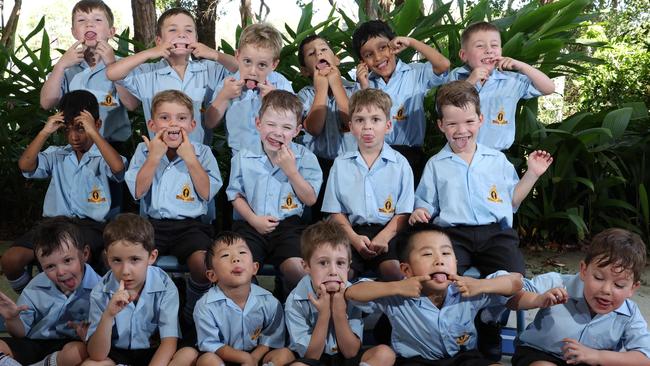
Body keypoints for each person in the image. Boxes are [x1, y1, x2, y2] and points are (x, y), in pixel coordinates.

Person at [409, 80, 552, 359]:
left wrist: (532, 173)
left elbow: (512, 201)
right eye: (452, 124)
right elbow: (425, 202)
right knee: (442, 278)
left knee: (514, 279)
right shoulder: (436, 165)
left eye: (469, 121)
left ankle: (489, 321)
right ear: (441, 126)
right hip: (453, 237)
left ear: (481, 120)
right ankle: (454, 331)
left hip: (495, 234)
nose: (461, 130)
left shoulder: (496, 160)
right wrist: (419, 211)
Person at [345, 223, 523, 366]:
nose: (439, 260)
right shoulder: (398, 295)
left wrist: (482, 284)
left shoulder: (467, 289)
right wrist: (396, 287)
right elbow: (352, 292)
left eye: (446, 253)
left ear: (455, 262)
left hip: (464, 359)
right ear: (406, 269)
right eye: (428, 254)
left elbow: (516, 282)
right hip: (415, 360)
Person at [4, 90, 126, 293]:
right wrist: (45, 132)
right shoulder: (57, 155)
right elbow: (25, 166)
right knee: (11, 260)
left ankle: (94, 302)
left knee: (77, 257)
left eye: (80, 128)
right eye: (67, 130)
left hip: (90, 227)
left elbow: (118, 169)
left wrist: (94, 133)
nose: (73, 137)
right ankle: (37, 302)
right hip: (52, 225)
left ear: (96, 124)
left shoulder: (103, 156)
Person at [124, 90, 222, 323]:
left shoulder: (203, 153)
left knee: (203, 265)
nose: (172, 124)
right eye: (165, 118)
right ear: (152, 123)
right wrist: (154, 158)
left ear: (192, 124)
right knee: (133, 263)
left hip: (191, 227)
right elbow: (138, 192)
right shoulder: (144, 151)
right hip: (152, 226)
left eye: (181, 118)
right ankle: (145, 316)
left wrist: (190, 158)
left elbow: (207, 193)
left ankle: (192, 310)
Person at [508, 228, 650, 366]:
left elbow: (645, 357)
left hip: (592, 361)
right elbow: (509, 299)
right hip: (543, 353)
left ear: (633, 288)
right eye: (598, 278)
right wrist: (537, 299)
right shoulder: (557, 283)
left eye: (619, 285)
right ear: (583, 270)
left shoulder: (629, 314)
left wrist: (598, 356)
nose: (606, 290)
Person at [226, 89, 322, 294]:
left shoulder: (305, 158)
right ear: (258, 123)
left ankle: (292, 301)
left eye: (286, 127)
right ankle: (257, 303)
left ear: (296, 131)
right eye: (271, 124)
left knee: (297, 270)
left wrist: (292, 172)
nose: (278, 132)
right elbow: (235, 194)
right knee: (239, 270)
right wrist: (253, 219)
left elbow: (311, 199)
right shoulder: (244, 156)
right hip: (250, 224)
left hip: (289, 227)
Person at [106, 7, 237, 143]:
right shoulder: (148, 73)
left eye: (188, 30)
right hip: (160, 159)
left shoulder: (209, 69)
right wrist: (150, 53)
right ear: (159, 41)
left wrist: (215, 54)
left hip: (200, 158)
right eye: (173, 30)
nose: (181, 35)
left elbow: (241, 69)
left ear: (196, 39)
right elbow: (112, 73)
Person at [322, 88, 414, 280]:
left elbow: (404, 212)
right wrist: (354, 239)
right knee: (340, 275)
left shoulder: (401, 164)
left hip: (389, 232)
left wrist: (384, 237)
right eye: (360, 120)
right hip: (351, 233)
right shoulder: (341, 164)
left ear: (388, 125)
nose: (367, 127)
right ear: (351, 126)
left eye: (375, 119)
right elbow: (334, 211)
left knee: (394, 271)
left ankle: (386, 310)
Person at [284, 220, 396, 366]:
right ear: (306, 266)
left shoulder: (353, 293)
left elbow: (351, 352)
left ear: (349, 266)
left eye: (340, 263)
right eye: (323, 263)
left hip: (346, 358)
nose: (333, 272)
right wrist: (324, 315)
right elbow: (311, 356)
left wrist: (338, 312)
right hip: (315, 359)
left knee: (385, 354)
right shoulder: (295, 300)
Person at [352, 19, 450, 180]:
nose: (378, 58)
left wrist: (411, 42)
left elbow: (443, 65)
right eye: (368, 55)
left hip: (412, 156)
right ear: (363, 61)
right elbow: (363, 120)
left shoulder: (414, 73)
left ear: (394, 44)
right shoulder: (365, 84)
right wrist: (364, 86)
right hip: (374, 157)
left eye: (382, 47)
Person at [176, 232, 292, 366]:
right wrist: (243, 358)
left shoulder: (269, 301)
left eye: (242, 253)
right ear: (212, 275)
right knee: (207, 360)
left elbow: (272, 337)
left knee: (285, 354)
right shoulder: (205, 305)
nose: (236, 259)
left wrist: (253, 358)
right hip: (222, 355)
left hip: (257, 354)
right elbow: (211, 344)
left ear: (255, 268)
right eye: (225, 255)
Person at [0, 217, 101, 366]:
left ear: (85, 254)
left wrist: (89, 336)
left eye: (67, 261)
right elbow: (19, 334)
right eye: (50, 267)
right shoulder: (36, 286)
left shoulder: (101, 289)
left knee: (77, 353)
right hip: (35, 344)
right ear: (41, 266)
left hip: (69, 349)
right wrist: (12, 319)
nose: (60, 271)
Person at [83, 213, 182, 365]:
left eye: (135, 260)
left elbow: (168, 343)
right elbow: (97, 354)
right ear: (107, 258)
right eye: (116, 260)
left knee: (184, 357)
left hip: (153, 354)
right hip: (116, 354)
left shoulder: (165, 286)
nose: (125, 271)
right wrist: (108, 315)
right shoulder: (100, 291)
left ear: (152, 257)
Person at [40, 0, 138, 145]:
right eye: (81, 20)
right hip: (77, 148)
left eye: (97, 19)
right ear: (74, 32)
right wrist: (60, 66)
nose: (89, 24)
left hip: (116, 148)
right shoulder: (66, 68)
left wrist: (112, 65)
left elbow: (131, 104)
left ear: (111, 31)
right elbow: (46, 103)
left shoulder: (123, 64)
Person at [446, 21, 555, 151]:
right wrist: (470, 82)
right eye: (480, 46)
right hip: (460, 153)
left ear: (501, 51)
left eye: (494, 45)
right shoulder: (457, 77)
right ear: (464, 55)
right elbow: (446, 107)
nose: (489, 50)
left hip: (497, 156)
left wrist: (521, 66)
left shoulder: (511, 80)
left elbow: (549, 88)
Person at [205, 22, 294, 155]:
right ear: (237, 56)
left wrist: (276, 100)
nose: (253, 71)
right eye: (247, 61)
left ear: (274, 64)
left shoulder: (281, 85)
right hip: (240, 160)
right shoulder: (227, 85)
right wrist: (223, 96)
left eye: (262, 65)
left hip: (278, 159)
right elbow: (210, 122)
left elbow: (295, 124)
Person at [296, 34, 356, 222]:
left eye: (323, 50)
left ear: (336, 58)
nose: (319, 54)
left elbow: (353, 124)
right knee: (320, 220)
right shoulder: (305, 95)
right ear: (305, 70)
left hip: (351, 165)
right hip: (317, 167)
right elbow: (314, 128)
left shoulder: (354, 90)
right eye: (311, 54)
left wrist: (336, 85)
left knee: (348, 215)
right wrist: (321, 89)